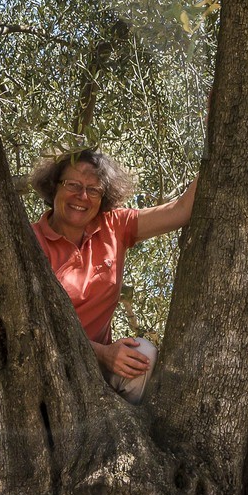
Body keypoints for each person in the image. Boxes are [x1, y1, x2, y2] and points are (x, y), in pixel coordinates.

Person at [29, 149, 197, 403]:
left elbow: (181, 210)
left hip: (96, 371)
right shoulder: (29, 241)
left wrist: (216, 137)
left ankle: (124, 434)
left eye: (93, 189)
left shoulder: (113, 226)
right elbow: (34, 326)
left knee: (143, 355)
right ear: (54, 187)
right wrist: (102, 353)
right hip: (44, 367)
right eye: (73, 184)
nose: (82, 196)